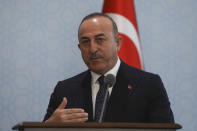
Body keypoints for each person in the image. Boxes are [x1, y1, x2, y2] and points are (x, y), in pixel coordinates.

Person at [43, 12, 174, 123]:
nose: (92, 49)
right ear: (79, 48)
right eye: (85, 42)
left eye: (100, 39)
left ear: (117, 43)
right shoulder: (65, 89)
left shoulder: (149, 85)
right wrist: (49, 127)